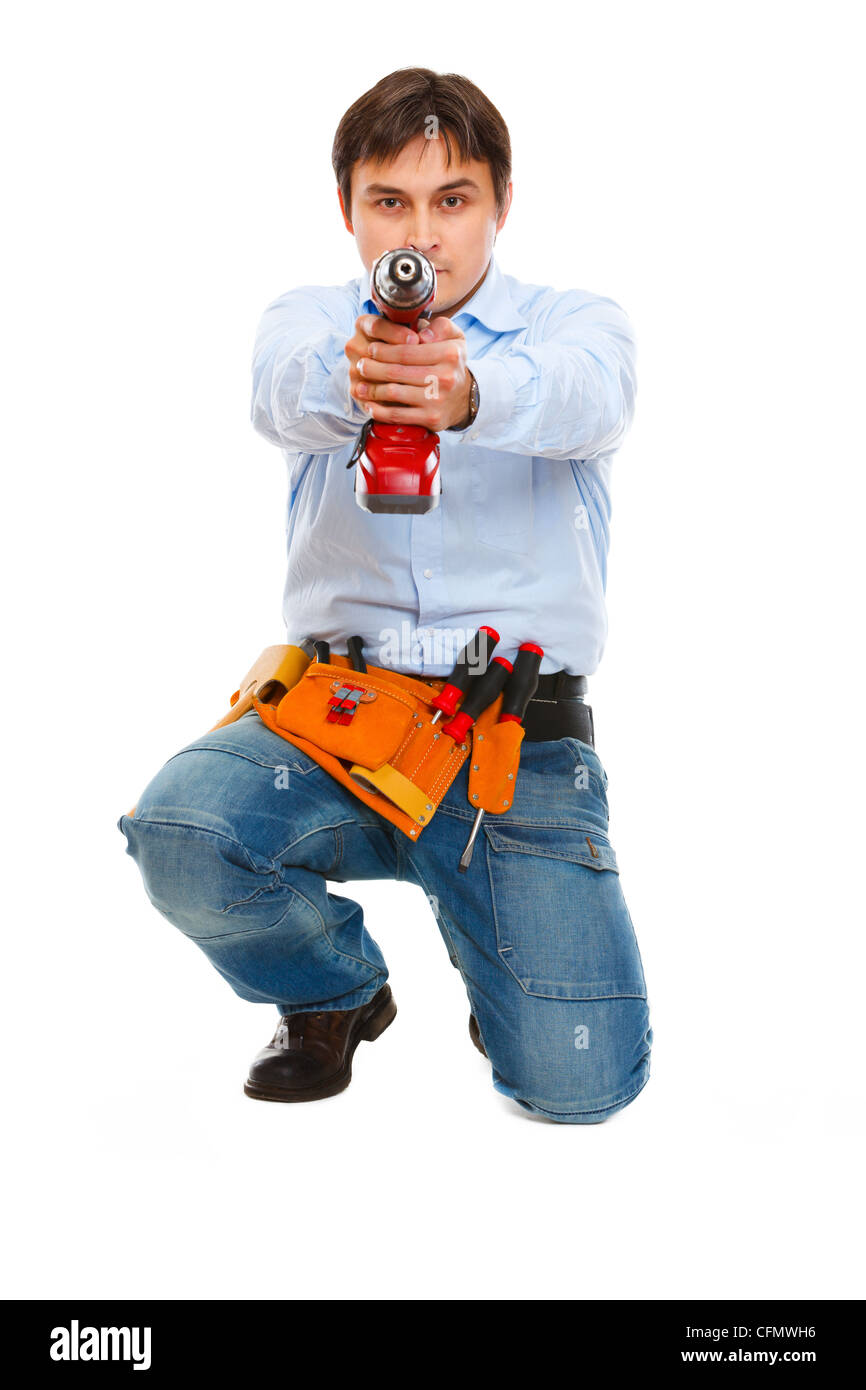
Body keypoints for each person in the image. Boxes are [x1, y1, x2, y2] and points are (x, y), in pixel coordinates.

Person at [117, 67, 652, 1123]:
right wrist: (362, 374)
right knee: (182, 828)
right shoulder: (312, 323)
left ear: (500, 201)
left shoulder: (574, 323)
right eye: (390, 202)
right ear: (348, 210)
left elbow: (591, 400)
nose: (425, 232)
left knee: (578, 1085)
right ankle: (331, 992)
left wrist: (466, 392)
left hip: (513, 742)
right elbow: (282, 395)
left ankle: (500, 953)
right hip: (334, 730)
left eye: (452, 200)